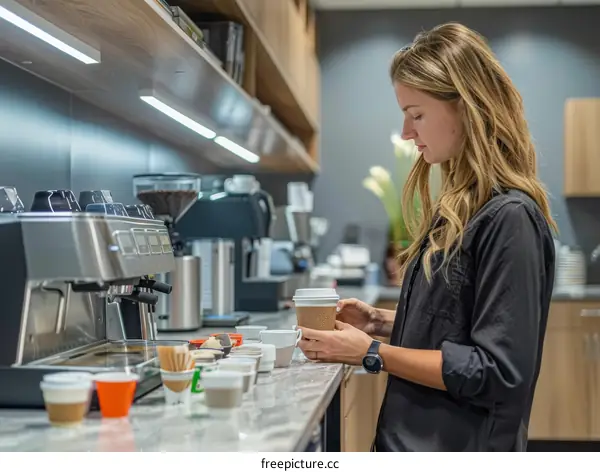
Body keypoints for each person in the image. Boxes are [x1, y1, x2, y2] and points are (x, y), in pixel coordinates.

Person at [297, 22, 557, 452]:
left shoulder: (510, 219)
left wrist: (372, 352)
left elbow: (495, 370)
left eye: (417, 114)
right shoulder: (462, 211)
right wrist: (380, 322)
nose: (406, 132)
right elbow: (458, 328)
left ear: (468, 108)